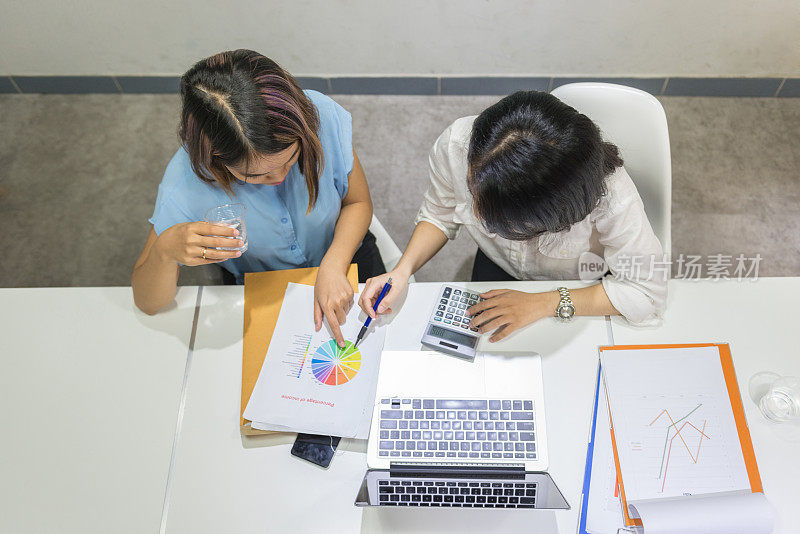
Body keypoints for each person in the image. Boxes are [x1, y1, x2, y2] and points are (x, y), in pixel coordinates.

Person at [359, 90, 666, 342]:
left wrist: (545, 303)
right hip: (498, 263)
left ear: (556, 218)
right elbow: (441, 213)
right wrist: (401, 271)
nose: (474, 213)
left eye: (501, 223)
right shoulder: (458, 145)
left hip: (579, 283)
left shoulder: (613, 197)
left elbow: (645, 293)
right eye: (470, 188)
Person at [132, 50, 384, 345]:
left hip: (344, 249)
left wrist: (334, 264)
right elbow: (148, 302)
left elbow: (358, 202)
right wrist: (165, 252)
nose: (278, 178)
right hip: (261, 284)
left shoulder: (320, 115)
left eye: (291, 159)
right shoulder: (184, 187)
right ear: (216, 159)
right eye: (255, 176)